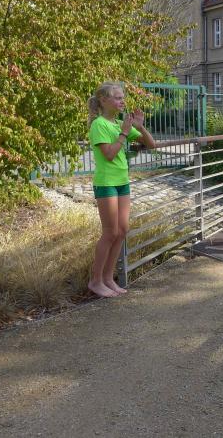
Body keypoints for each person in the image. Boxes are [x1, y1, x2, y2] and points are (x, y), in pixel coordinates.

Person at [87, 82, 156, 298]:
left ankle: (108, 278)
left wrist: (140, 127)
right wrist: (124, 134)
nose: (122, 101)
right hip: (106, 183)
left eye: (122, 98)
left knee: (122, 230)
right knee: (110, 232)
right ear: (104, 100)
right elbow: (109, 154)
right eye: (117, 98)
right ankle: (96, 281)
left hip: (122, 181)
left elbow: (151, 145)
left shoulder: (119, 124)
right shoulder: (99, 124)